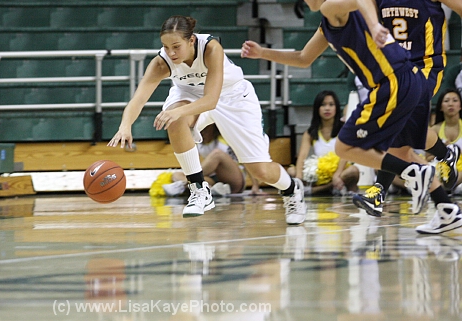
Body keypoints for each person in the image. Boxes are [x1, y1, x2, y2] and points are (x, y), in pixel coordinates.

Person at [241, 0, 462, 234]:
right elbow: (303, 58)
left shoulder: (332, 4)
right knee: (399, 149)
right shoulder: (329, 19)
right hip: (403, 81)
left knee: (345, 146)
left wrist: (376, 25)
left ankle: (414, 172)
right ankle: (446, 209)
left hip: (392, 81)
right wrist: (263, 53)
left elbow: (359, 0)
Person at [108, 15, 307, 224]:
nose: (171, 53)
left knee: (261, 171)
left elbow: (211, 100)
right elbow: (138, 99)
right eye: (166, 47)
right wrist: (125, 126)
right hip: (189, 94)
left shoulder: (211, 48)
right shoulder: (161, 63)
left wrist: (177, 112)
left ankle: (292, 189)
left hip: (233, 97)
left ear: (191, 40)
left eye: (176, 46)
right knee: (174, 119)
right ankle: (199, 189)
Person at [361, 0, 462, 212]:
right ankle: (445, 154)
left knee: (398, 123)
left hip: (426, 66)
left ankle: (379, 190)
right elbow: (364, 25)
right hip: (395, 69)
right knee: (404, 132)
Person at [289, 90, 359, 196]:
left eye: (331, 105)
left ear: (336, 108)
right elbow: (302, 156)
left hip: (339, 172)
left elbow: (345, 155)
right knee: (291, 171)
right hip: (319, 173)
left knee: (353, 171)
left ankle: (316, 190)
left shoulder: (344, 129)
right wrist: (299, 177)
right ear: (317, 108)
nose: (327, 108)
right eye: (323, 105)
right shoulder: (310, 133)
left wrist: (337, 175)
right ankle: (330, 188)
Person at [162, 124, 260, 197]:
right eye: (201, 130)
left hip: (235, 179)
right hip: (215, 179)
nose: (203, 132)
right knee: (176, 175)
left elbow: (247, 160)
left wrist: (255, 186)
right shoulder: (198, 143)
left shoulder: (226, 139)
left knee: (217, 154)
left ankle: (184, 184)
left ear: (213, 127)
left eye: (206, 129)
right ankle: (213, 189)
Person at [430, 88, 462, 194]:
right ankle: (443, 187)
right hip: (440, 168)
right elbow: (428, 157)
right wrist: (441, 150)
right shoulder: (434, 129)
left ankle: (445, 187)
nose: (451, 104)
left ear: (460, 106)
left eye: (455, 100)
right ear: (440, 107)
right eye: (446, 101)